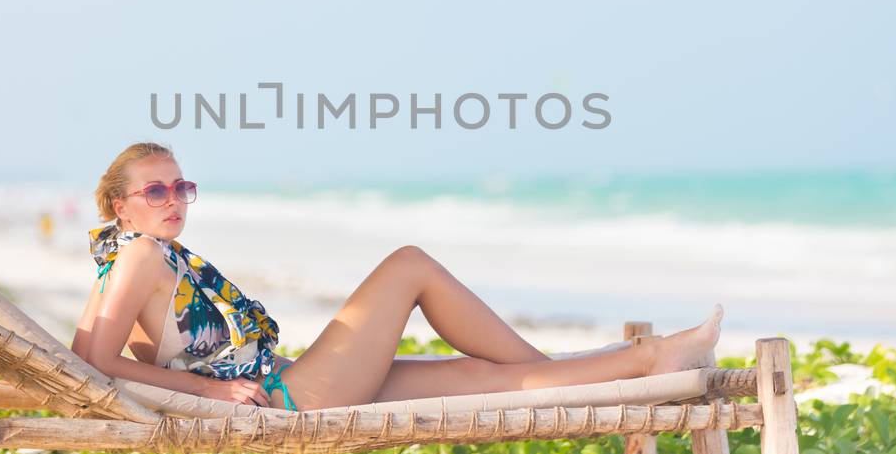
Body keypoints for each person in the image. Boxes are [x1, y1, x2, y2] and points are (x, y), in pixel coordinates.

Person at [71, 141, 723, 411]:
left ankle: (642, 361)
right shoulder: (139, 256)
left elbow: (90, 350)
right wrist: (208, 395)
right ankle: (636, 359)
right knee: (408, 264)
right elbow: (92, 359)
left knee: (478, 377)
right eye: (154, 191)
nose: (173, 199)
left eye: (180, 186)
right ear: (120, 204)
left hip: (282, 382)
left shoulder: (138, 259)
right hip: (285, 402)